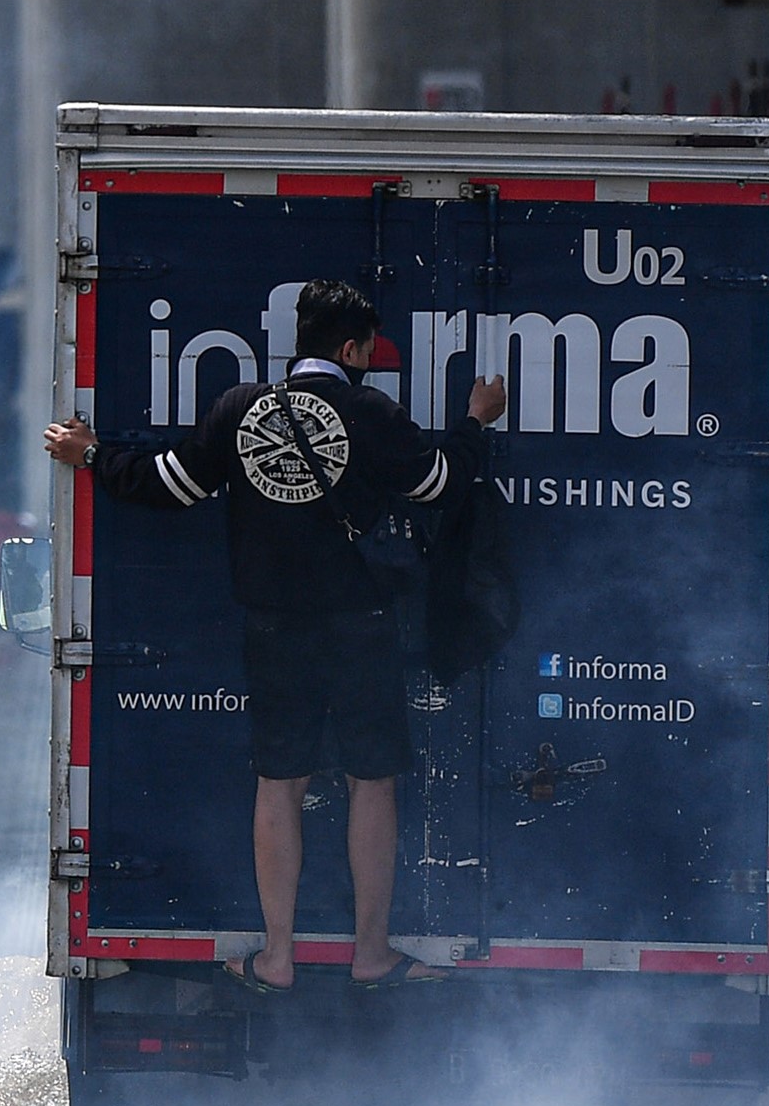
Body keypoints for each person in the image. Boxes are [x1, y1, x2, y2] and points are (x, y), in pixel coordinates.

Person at [43, 277, 506, 993]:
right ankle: (373, 952)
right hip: (362, 626)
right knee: (370, 783)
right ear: (350, 348)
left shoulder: (241, 408)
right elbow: (442, 482)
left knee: (278, 785)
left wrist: (92, 454)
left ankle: (278, 957)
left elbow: (169, 484)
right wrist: (477, 419)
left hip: (274, 628)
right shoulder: (371, 410)